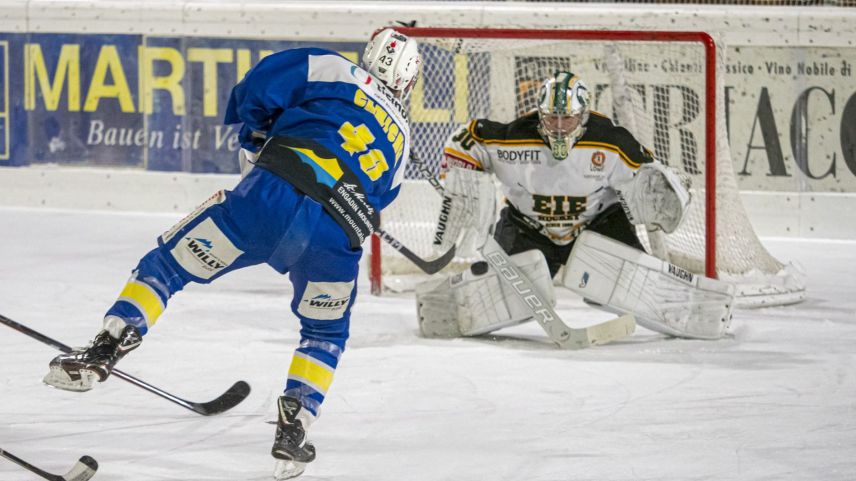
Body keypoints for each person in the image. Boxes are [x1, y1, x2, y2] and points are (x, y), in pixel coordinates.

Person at [43, 28, 421, 479]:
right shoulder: (403, 144)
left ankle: (104, 350)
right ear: (409, 79)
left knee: (166, 266)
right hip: (339, 234)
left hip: (272, 194)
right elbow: (380, 202)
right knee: (325, 332)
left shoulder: (333, 66)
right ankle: (294, 426)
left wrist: (258, 135)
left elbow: (255, 88)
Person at [417, 71, 734, 342]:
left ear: (582, 115)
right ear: (540, 113)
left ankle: (700, 310)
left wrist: (664, 190)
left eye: (566, 117)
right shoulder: (511, 139)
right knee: (498, 298)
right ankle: (438, 308)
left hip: (597, 225)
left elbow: (652, 175)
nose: (557, 126)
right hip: (527, 228)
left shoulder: (611, 140)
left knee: (635, 288)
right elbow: (466, 140)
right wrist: (465, 181)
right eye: (551, 117)